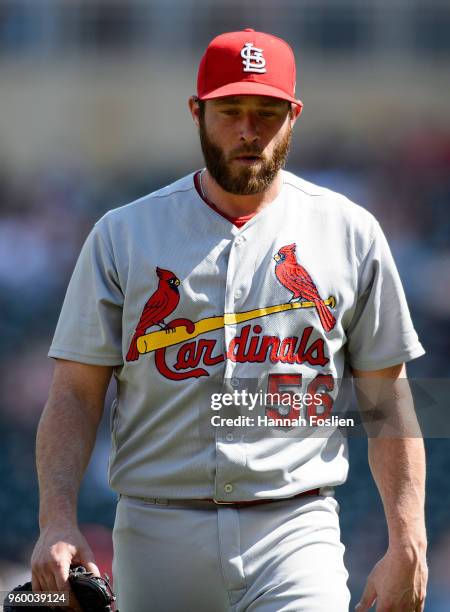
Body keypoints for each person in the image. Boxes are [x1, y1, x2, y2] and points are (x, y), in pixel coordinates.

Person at [30, 29, 428, 611]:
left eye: (267, 113)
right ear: (198, 112)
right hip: (156, 529)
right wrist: (56, 519)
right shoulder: (123, 235)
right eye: (231, 111)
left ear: (293, 117)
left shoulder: (349, 232)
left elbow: (387, 398)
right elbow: (74, 395)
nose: (249, 130)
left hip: (295, 529)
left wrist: (408, 537)